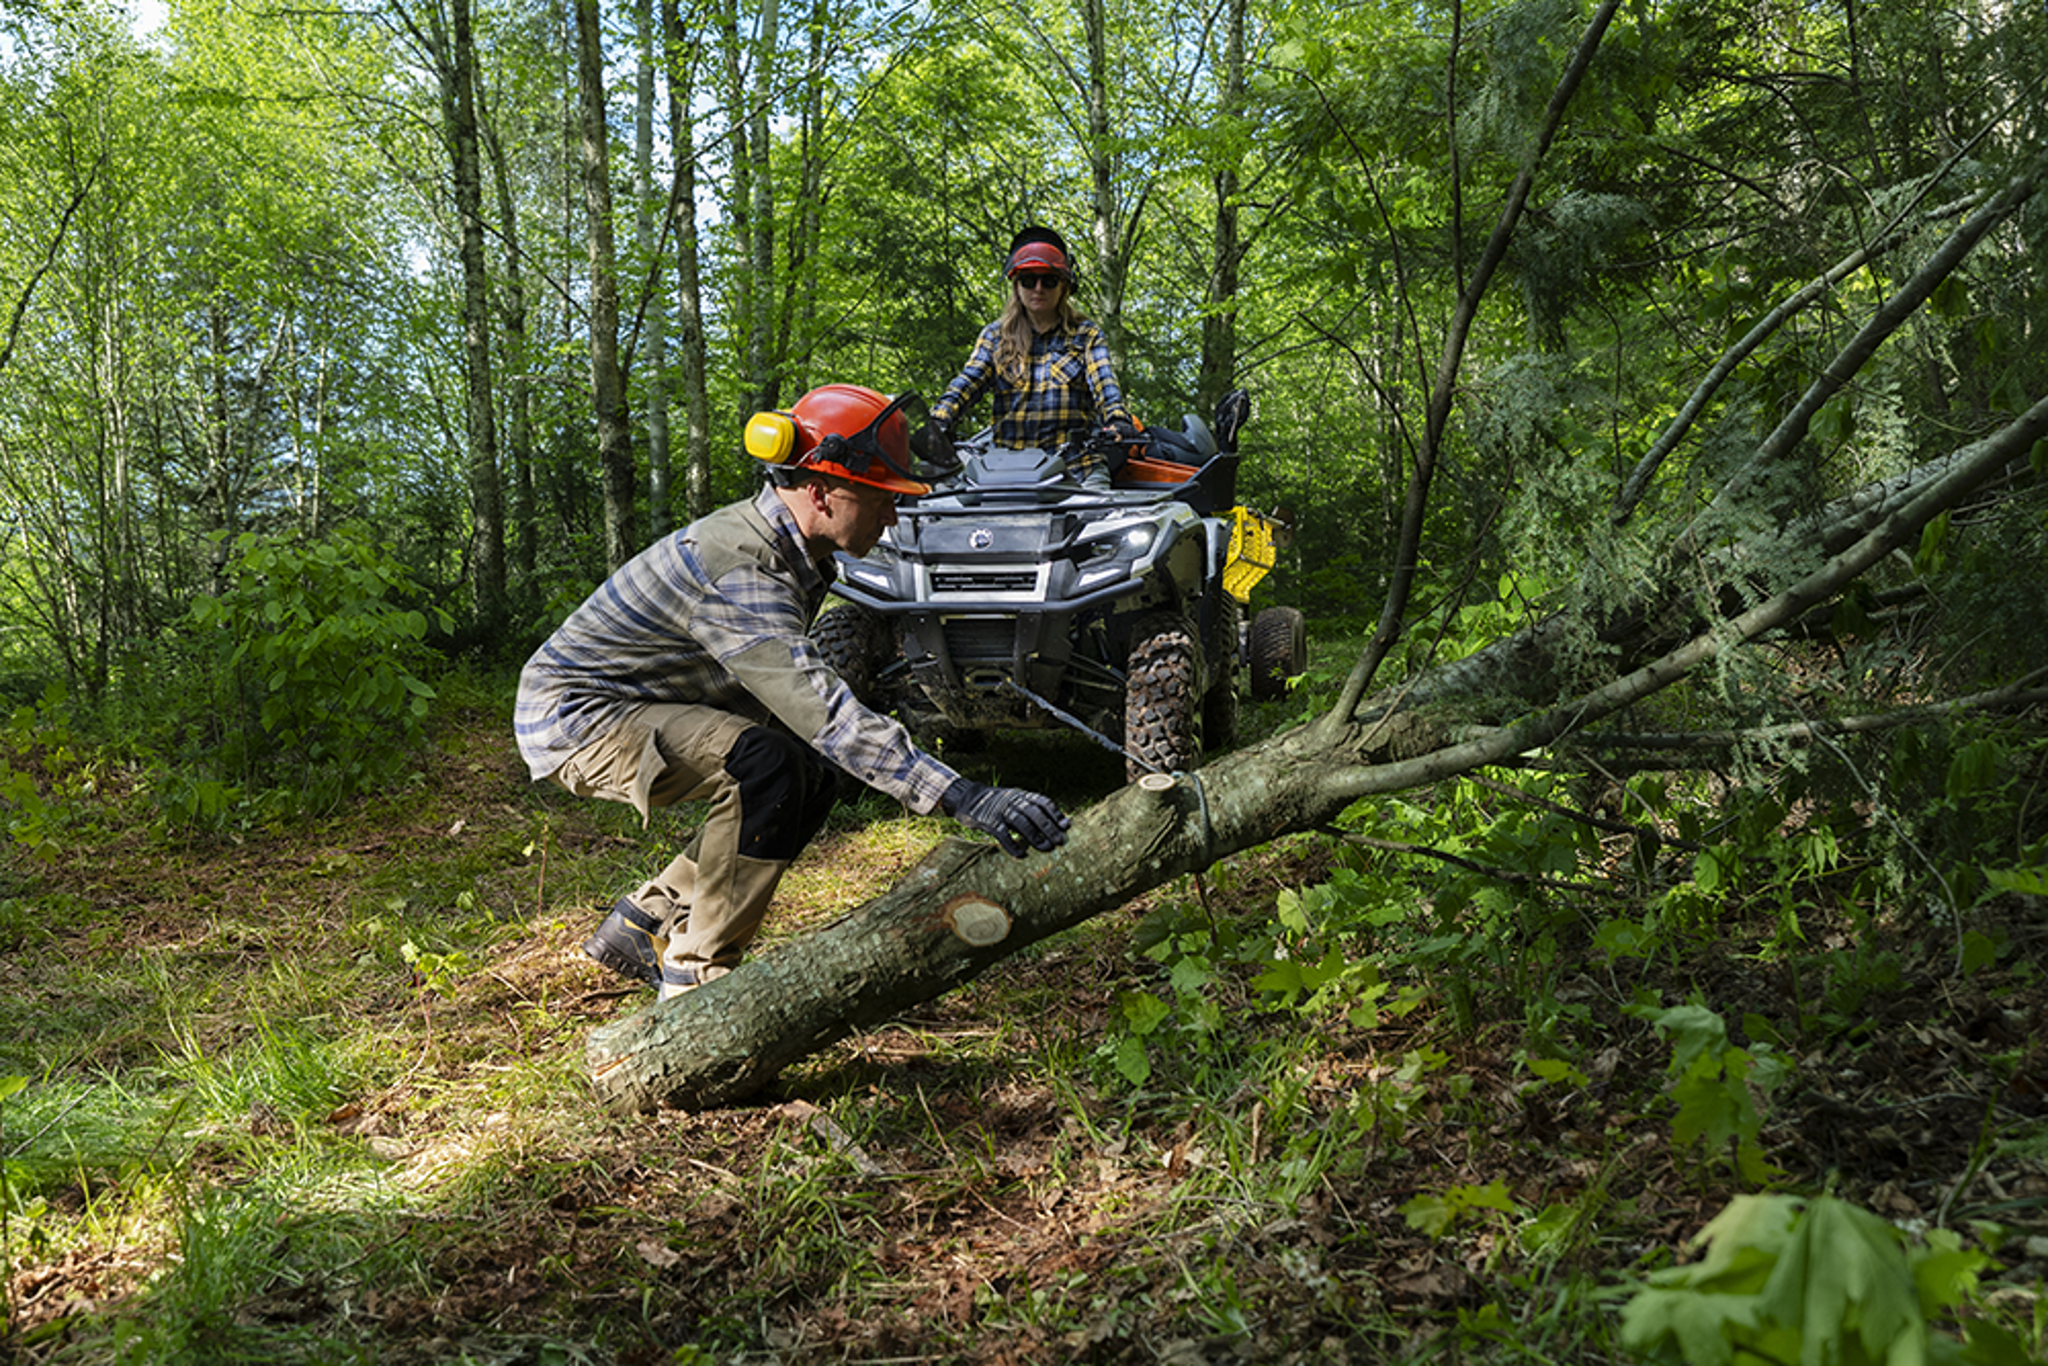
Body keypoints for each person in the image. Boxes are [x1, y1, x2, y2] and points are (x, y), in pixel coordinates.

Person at [515, 383, 1071, 1002]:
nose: (893, 517)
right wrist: (960, 793)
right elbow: (823, 711)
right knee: (767, 768)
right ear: (819, 492)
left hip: (634, 700)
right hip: (577, 717)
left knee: (813, 770)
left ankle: (646, 922)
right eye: (882, 499)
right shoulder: (739, 568)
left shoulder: (791, 548)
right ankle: (697, 978)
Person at [926, 226, 1138, 486]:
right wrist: (938, 421)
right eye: (1029, 280)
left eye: (1049, 280)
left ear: (1064, 286)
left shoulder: (1086, 334)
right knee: (944, 509)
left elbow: (1105, 386)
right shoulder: (995, 336)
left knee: (1105, 521)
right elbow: (967, 383)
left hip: (1076, 468)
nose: (1038, 288)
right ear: (1016, 286)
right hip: (1003, 471)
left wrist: (1117, 419)